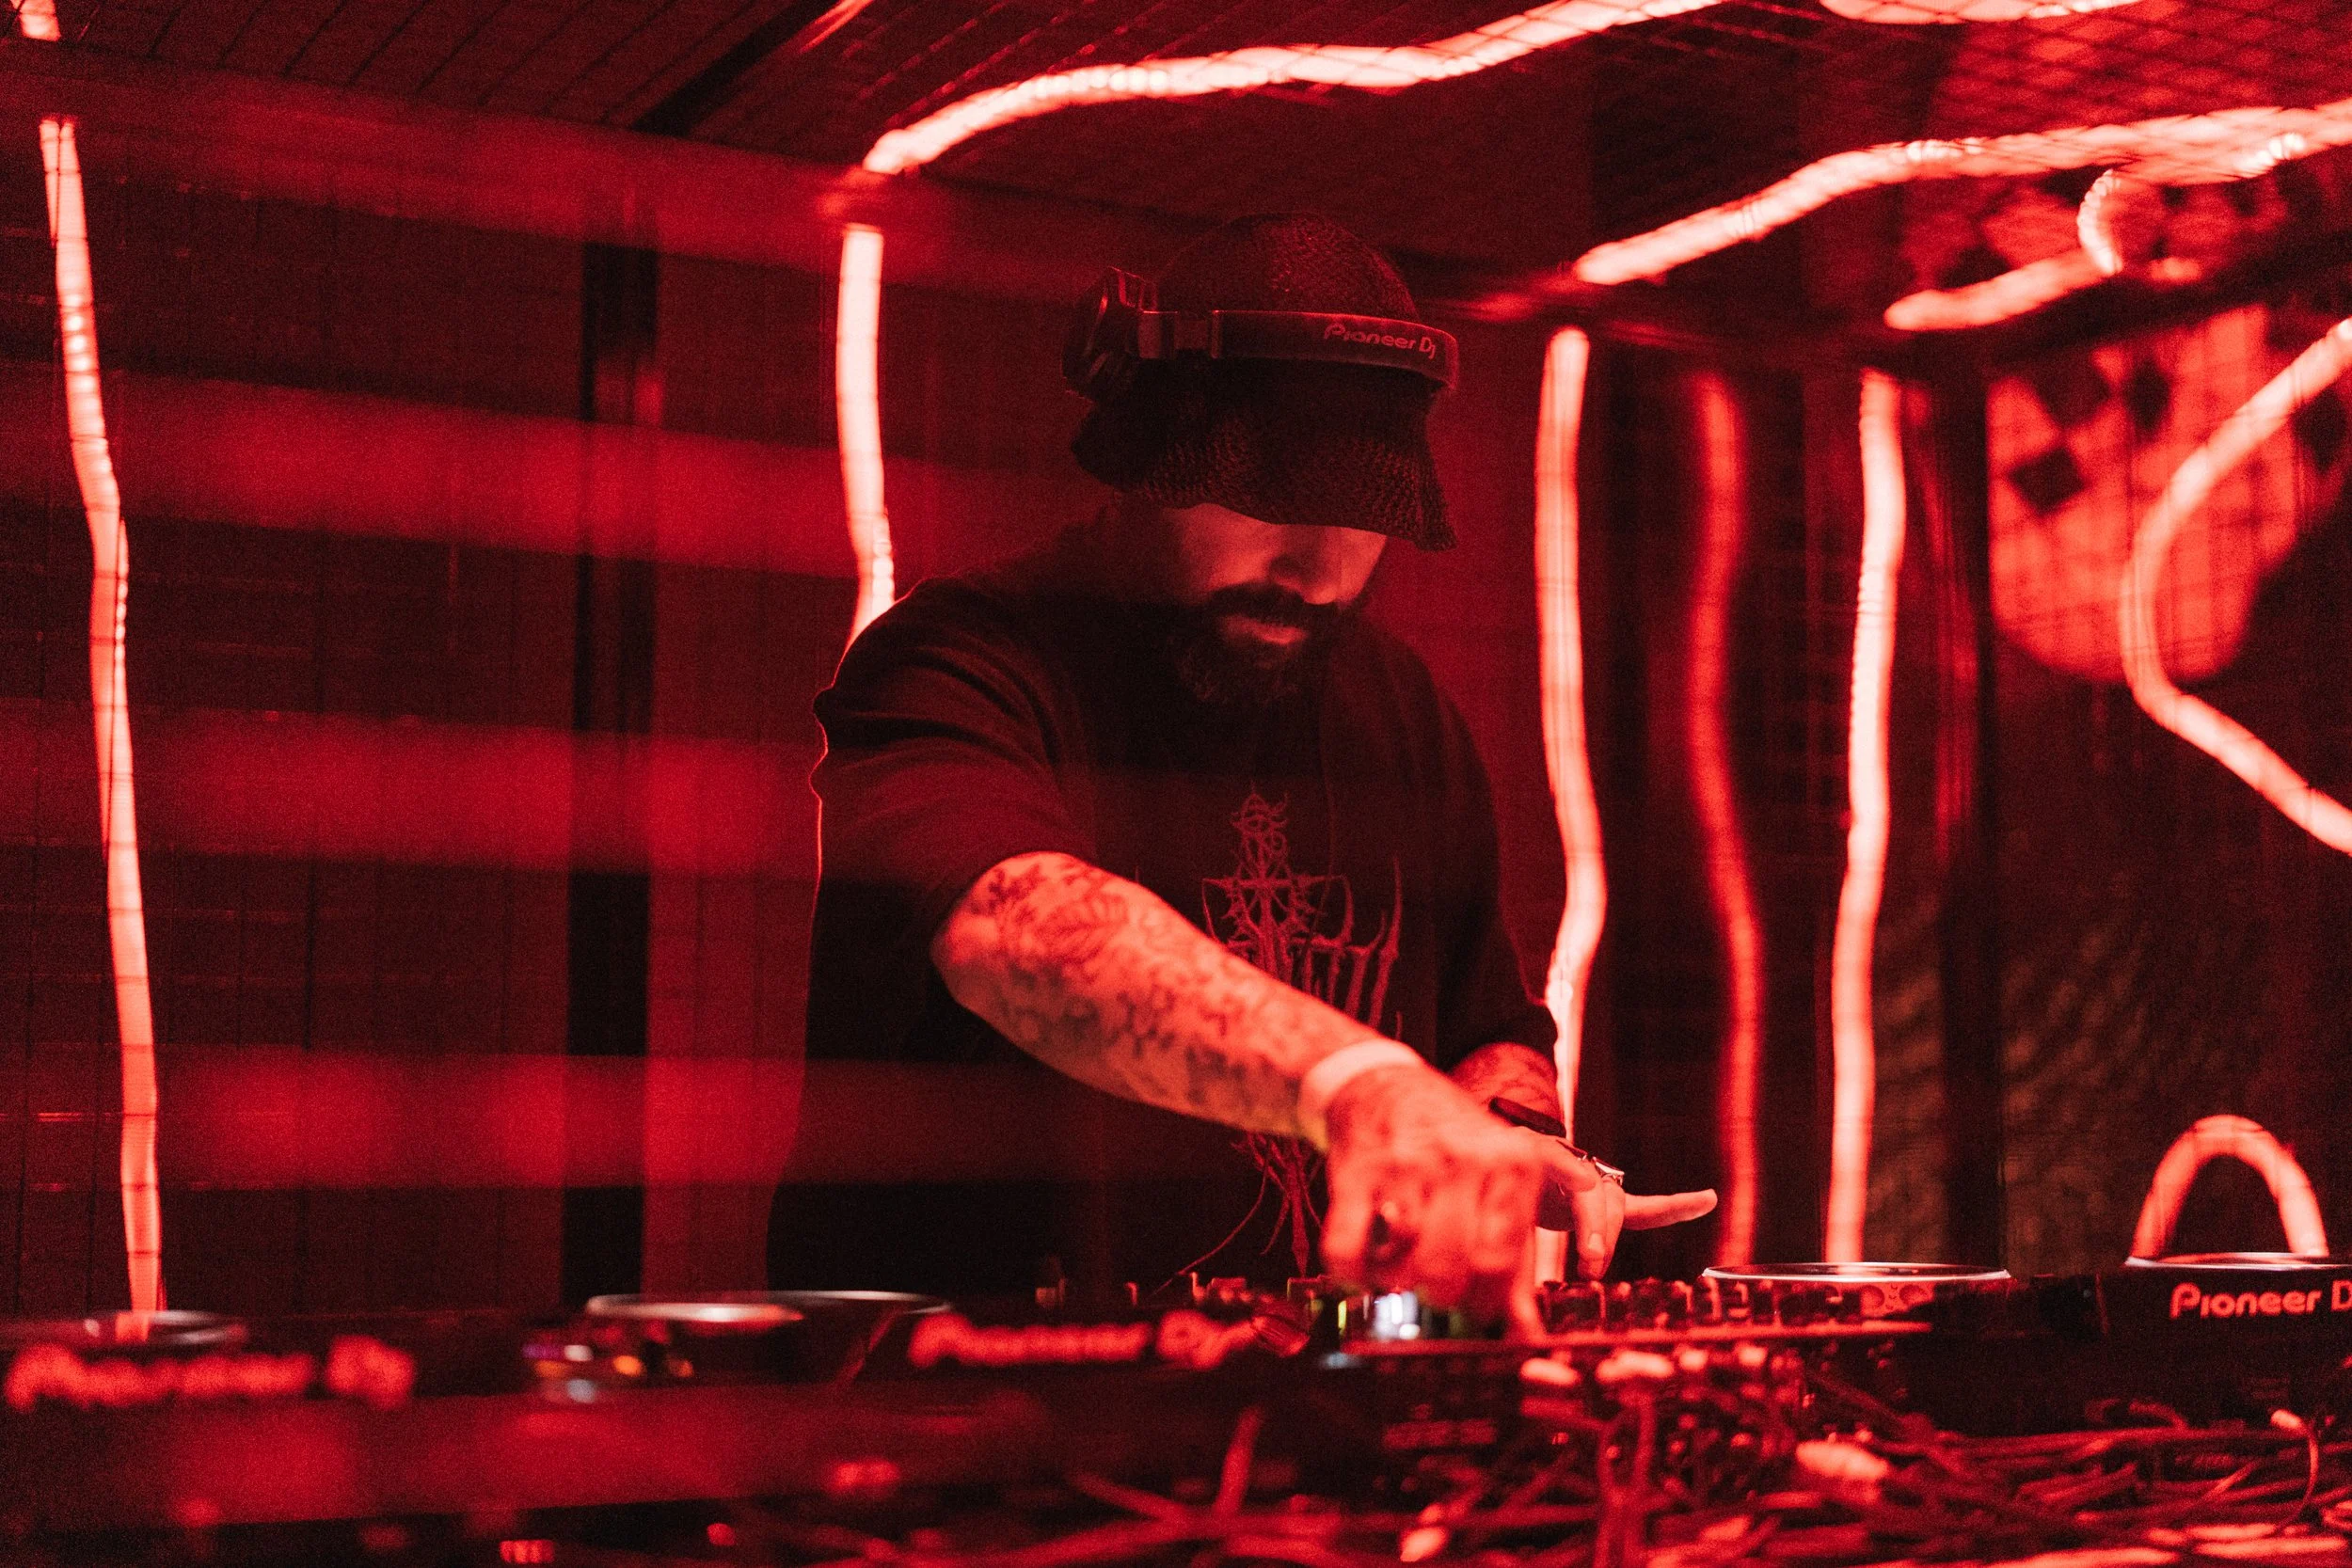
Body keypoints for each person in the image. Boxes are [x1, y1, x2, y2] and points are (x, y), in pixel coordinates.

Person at [776, 214, 1712, 1330]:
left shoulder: (1406, 714)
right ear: (1152, 458)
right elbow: (1010, 927)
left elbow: (1489, 1031)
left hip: (1292, 1415)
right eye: (1265, 496)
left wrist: (1501, 1134)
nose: (1313, 564)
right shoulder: (959, 659)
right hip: (967, 1408)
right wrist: (1360, 1084)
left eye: (1362, 513)